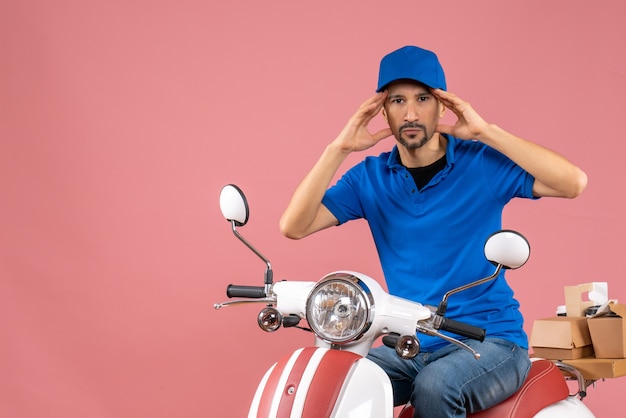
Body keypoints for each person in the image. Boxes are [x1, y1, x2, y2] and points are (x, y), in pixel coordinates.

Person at [279, 45, 587, 418]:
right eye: (397, 101)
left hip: (490, 341)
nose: (410, 113)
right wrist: (339, 147)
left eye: (423, 98)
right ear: (383, 110)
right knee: (336, 379)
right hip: (409, 343)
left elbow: (573, 182)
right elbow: (293, 226)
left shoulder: (480, 164)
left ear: (442, 106)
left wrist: (486, 132)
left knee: (436, 387)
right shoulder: (369, 177)